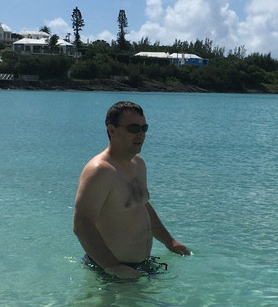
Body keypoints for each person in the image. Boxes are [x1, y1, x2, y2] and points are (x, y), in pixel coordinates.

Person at [73, 101, 190, 280]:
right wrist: (112, 266)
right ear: (112, 130)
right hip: (109, 271)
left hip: (139, 266)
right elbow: (82, 224)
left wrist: (170, 242)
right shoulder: (100, 170)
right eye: (133, 128)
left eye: (144, 128)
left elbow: (142, 206)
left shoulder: (138, 164)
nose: (141, 134)